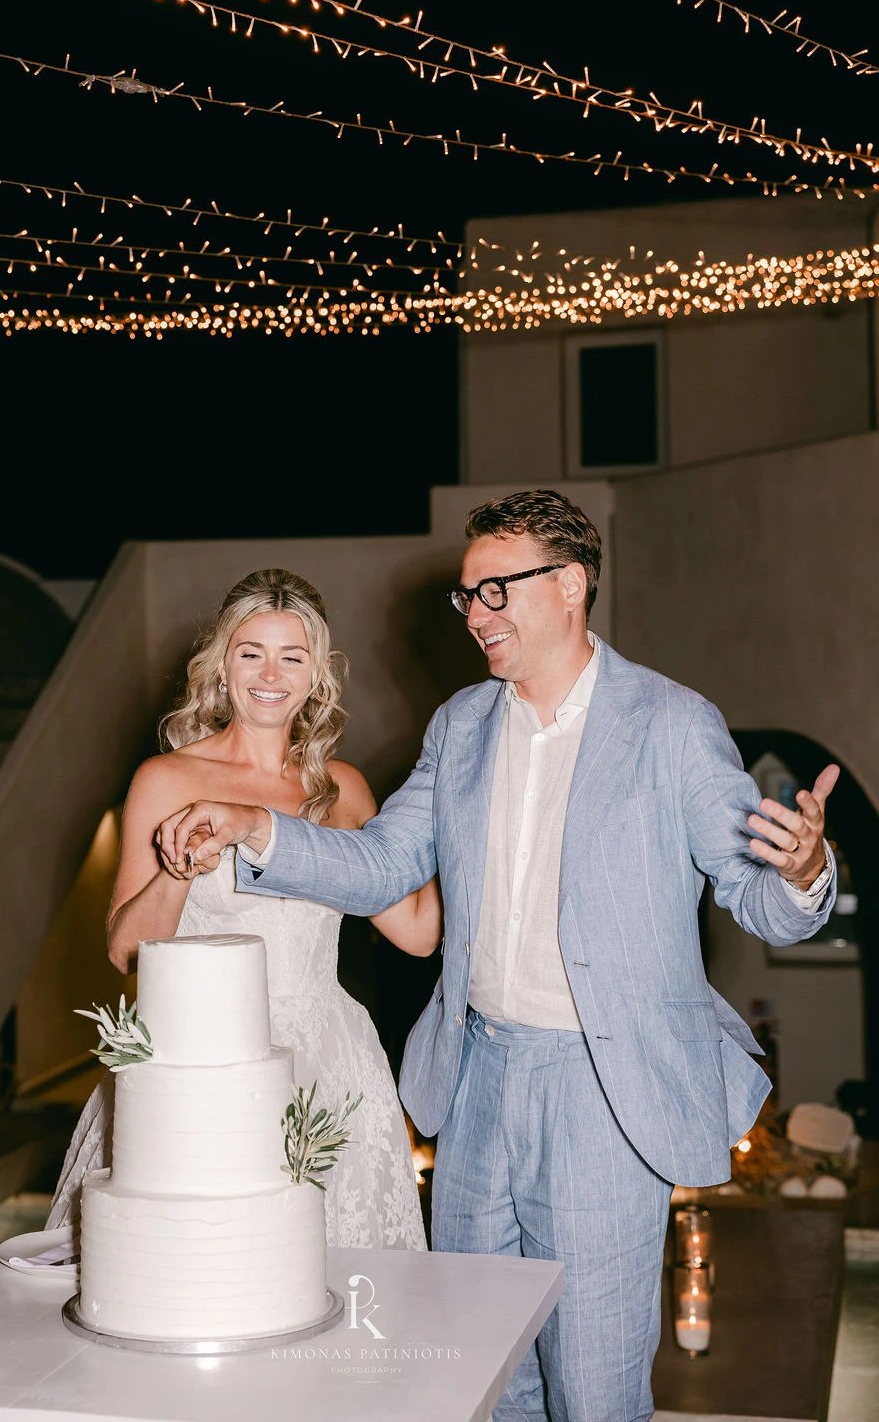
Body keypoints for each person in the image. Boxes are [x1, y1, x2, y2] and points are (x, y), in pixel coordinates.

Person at [160, 491, 839, 1422]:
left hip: (602, 1092)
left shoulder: (672, 724)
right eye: (467, 596)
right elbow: (384, 863)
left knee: (594, 1387)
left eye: (495, 591)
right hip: (476, 1082)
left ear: (568, 585)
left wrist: (806, 869)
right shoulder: (462, 726)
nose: (475, 615)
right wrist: (257, 830)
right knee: (481, 1378)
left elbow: (760, 897)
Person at [46, 567, 437, 1252]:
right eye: (251, 652)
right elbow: (125, 953)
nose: (270, 673)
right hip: (203, 1062)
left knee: (332, 1274)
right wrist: (177, 871)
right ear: (221, 665)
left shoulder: (342, 789)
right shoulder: (166, 780)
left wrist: (451, 824)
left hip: (332, 1062)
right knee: (199, 1266)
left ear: (317, 674)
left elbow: (415, 932)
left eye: (293, 656)